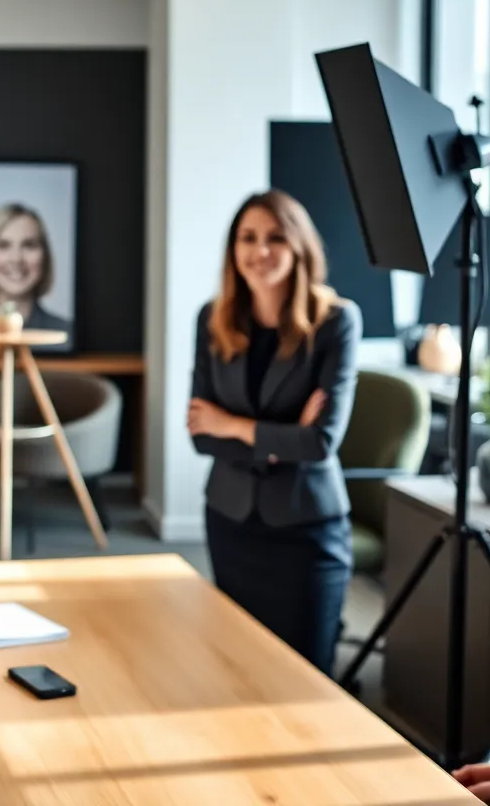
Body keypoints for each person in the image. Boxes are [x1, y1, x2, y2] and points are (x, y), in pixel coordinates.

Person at [186, 190, 362, 676]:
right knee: (237, 667)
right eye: (248, 238)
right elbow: (201, 435)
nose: (259, 251)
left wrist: (235, 426)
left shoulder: (336, 322)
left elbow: (321, 442)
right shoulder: (212, 319)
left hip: (306, 531)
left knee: (308, 675)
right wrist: (281, 437)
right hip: (231, 521)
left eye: (275, 238)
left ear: (299, 247)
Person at [0, 202, 72, 348]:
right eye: (3, 245)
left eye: (29, 245)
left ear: (45, 256)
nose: (16, 259)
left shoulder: (65, 334)